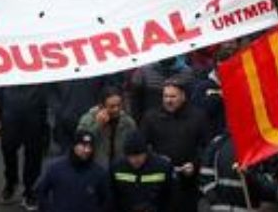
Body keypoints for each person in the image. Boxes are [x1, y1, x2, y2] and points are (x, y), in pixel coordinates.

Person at [141, 80, 210, 212]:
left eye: (173, 96)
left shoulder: (198, 117)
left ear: (183, 96)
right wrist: (156, 160)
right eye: (165, 96)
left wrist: (195, 164)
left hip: (188, 181)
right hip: (159, 181)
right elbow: (142, 146)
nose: (168, 100)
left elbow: (206, 147)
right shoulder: (151, 117)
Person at [35, 130, 112, 212]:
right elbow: (41, 192)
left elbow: (107, 200)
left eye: (90, 147)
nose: (87, 150)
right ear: (74, 146)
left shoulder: (99, 173)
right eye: (83, 146)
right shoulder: (56, 168)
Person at [110, 131, 175, 212]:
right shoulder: (117, 168)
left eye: (139, 155)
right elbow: (112, 198)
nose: (135, 160)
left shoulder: (162, 167)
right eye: (131, 156)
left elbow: (171, 197)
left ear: (146, 152)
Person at [77, 86, 139, 169]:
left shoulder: (128, 122)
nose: (116, 109)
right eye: (112, 106)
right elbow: (81, 142)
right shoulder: (88, 119)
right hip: (95, 168)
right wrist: (98, 125)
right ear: (101, 106)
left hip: (120, 168)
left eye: (119, 105)